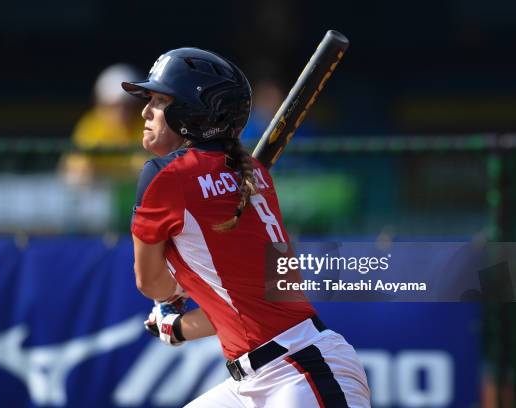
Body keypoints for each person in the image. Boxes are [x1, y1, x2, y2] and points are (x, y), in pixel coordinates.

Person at [122, 48, 371, 407]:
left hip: (301, 371)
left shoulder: (165, 175)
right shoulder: (254, 173)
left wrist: (170, 298)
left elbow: (150, 283)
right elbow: (246, 305)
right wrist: (176, 325)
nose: (145, 111)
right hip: (260, 377)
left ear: (192, 112)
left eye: (160, 101)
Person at [61, 63, 146, 186]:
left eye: (128, 105)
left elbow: (147, 168)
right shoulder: (92, 126)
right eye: (113, 106)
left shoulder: (147, 124)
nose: (122, 112)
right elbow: (75, 171)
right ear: (100, 104)